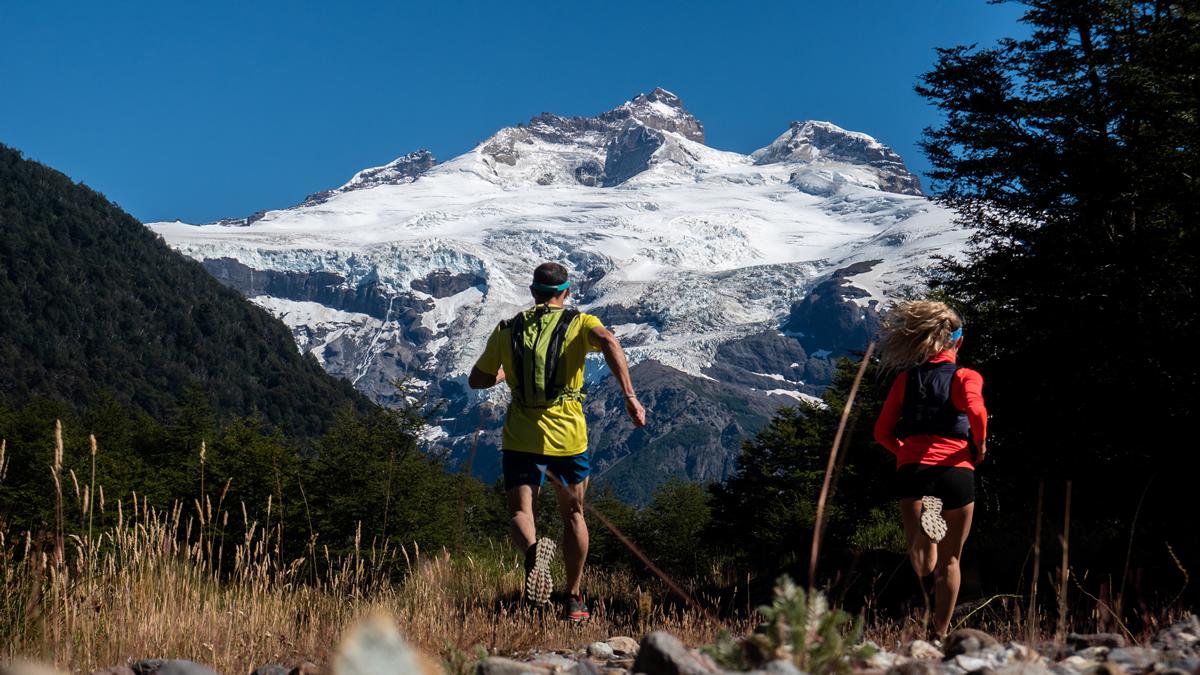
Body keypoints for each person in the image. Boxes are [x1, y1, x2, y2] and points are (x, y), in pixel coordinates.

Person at [469, 262, 646, 622]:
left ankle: (534, 555)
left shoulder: (507, 329)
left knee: (521, 511)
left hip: (521, 434)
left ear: (533, 292)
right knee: (575, 515)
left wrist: (503, 371)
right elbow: (609, 341)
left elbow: (478, 379)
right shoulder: (581, 323)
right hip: (567, 435)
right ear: (566, 292)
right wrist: (629, 395)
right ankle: (574, 599)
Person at [873, 300, 988, 641]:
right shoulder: (966, 376)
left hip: (914, 472)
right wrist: (979, 446)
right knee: (951, 562)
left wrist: (904, 452)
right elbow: (977, 412)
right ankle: (937, 633)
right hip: (956, 470)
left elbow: (881, 432)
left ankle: (927, 534)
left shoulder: (905, 380)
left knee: (922, 563)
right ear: (959, 342)